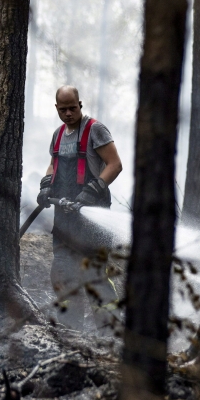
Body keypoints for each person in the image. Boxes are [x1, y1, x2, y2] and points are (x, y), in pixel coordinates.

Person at [37, 85, 123, 331]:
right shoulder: (58, 134)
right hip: (64, 221)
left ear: (80, 104)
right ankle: (69, 330)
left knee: (95, 276)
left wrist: (92, 190)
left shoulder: (95, 130)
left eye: (72, 108)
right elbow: (53, 165)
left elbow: (115, 164)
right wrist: (45, 187)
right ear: (56, 108)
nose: (68, 114)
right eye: (62, 109)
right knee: (62, 274)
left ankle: (110, 333)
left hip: (92, 220)